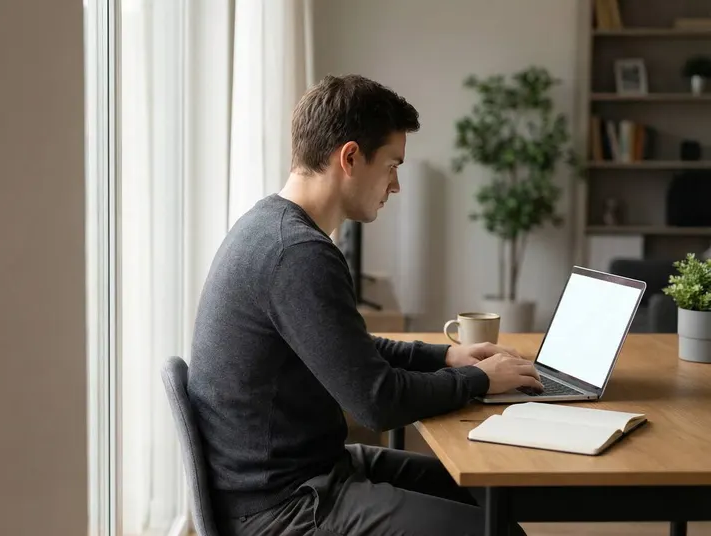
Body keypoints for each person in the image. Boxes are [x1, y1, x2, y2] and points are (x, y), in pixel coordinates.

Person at [187, 74, 543, 535]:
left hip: (305, 475)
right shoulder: (298, 254)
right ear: (350, 157)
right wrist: (477, 378)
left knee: (490, 503)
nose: (395, 186)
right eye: (393, 166)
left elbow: (348, 349)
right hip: (283, 508)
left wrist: (447, 355)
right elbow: (377, 402)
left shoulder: (270, 225)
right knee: (493, 531)